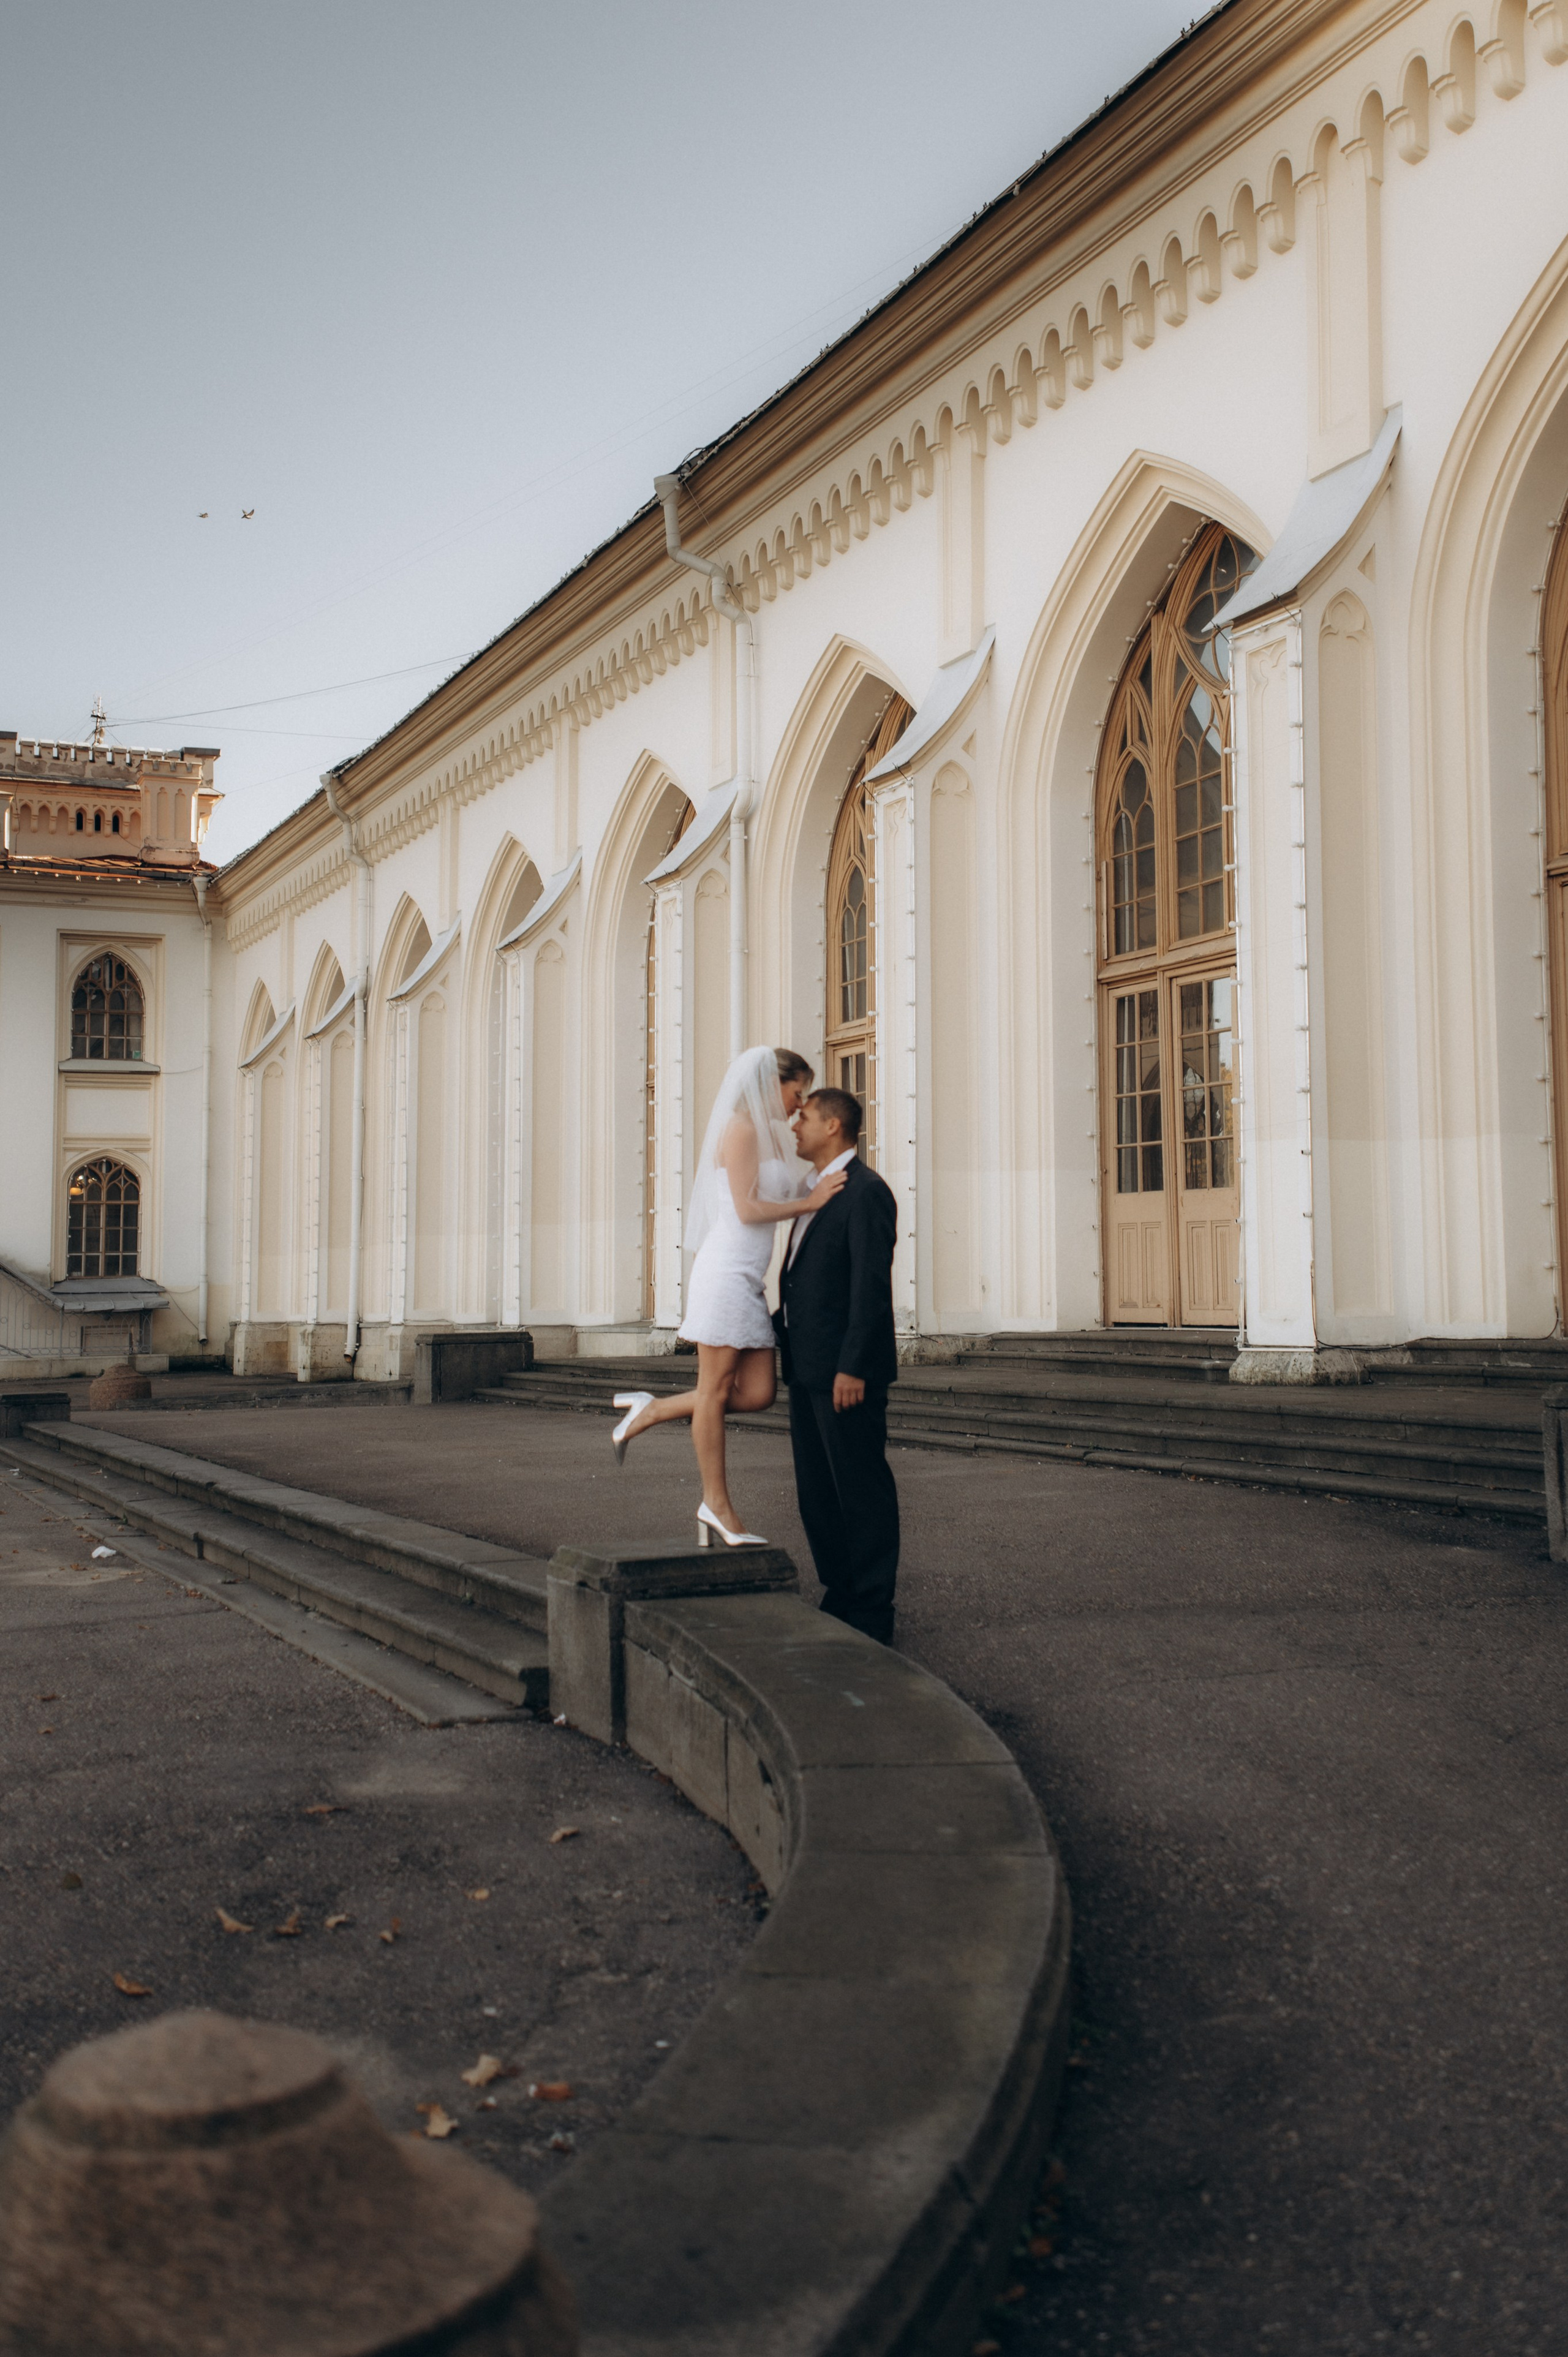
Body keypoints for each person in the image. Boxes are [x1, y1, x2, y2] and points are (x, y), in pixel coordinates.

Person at [609, 1045, 846, 1547]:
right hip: (724, 1274)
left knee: (758, 1393)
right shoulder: (740, 1128)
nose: (798, 1106)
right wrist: (810, 1201)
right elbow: (746, 1209)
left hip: (747, 1280)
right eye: (796, 1092)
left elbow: (781, 1188)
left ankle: (650, 1411)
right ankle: (716, 1505)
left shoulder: (768, 1137)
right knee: (715, 1392)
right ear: (771, 1083)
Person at [774, 1087, 900, 1643]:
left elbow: (869, 1287)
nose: (794, 1125)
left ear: (834, 1127)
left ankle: (873, 1607)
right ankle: (841, 1591)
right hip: (807, 1368)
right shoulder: (818, 1192)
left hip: (846, 1374)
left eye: (804, 1117)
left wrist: (853, 1366)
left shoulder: (867, 1192)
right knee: (818, 1491)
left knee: (860, 1487)